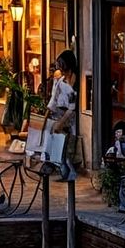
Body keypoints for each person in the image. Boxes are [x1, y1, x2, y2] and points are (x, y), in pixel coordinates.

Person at [46, 50, 79, 179]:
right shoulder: (61, 81)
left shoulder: (74, 85)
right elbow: (53, 99)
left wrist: (61, 122)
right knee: (58, 146)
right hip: (58, 115)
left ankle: (69, 173)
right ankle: (61, 170)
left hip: (68, 119)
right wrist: (48, 115)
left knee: (67, 148)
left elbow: (72, 108)